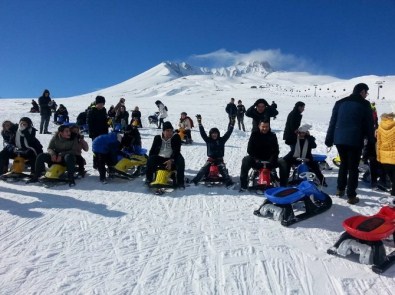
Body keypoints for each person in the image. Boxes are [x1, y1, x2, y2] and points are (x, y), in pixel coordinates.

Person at [325, 83, 375, 204]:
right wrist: (371, 142)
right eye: (366, 92)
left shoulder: (340, 102)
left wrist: (329, 139)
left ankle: (340, 189)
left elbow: (333, 122)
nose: (366, 95)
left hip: (339, 139)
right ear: (362, 91)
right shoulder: (365, 104)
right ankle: (351, 195)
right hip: (355, 139)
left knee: (343, 164)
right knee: (353, 167)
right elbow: (369, 124)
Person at [191, 114, 234, 187]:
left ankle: (228, 182)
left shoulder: (222, 140)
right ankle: (195, 181)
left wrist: (232, 124)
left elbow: (228, 133)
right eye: (213, 133)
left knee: (222, 169)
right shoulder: (208, 140)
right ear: (210, 134)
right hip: (211, 159)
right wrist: (199, 123)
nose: (214, 135)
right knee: (204, 168)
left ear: (218, 134)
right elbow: (203, 133)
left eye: (216, 133)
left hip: (219, 159)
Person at [239, 120, 279, 191]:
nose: (265, 128)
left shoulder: (272, 136)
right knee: (245, 160)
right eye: (263, 126)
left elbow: (276, 150)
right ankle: (243, 185)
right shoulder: (254, 135)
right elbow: (249, 149)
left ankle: (282, 183)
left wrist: (272, 159)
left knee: (282, 162)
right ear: (259, 126)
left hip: (269, 161)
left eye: (266, 127)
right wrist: (256, 159)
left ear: (269, 127)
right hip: (257, 161)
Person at [145, 121, 185, 189]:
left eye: (171, 131)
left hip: (172, 158)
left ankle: (180, 182)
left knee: (181, 160)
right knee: (150, 158)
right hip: (161, 158)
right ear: (163, 131)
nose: (170, 132)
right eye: (167, 131)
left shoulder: (176, 137)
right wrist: (151, 161)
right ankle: (149, 179)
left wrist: (171, 160)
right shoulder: (157, 138)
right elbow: (152, 151)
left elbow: (177, 151)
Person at [376, 112, 395, 201]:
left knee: (391, 176)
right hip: (393, 156)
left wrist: (379, 157)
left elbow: (378, 143)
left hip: (384, 157)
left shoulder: (380, 127)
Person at [87, 95, 108, 169]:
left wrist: (106, 132)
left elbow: (105, 122)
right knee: (96, 149)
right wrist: (91, 133)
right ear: (97, 103)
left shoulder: (104, 110)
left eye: (103, 104)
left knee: (103, 148)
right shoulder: (91, 111)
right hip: (95, 134)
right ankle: (95, 163)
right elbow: (89, 123)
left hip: (103, 133)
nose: (102, 105)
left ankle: (101, 162)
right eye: (100, 104)